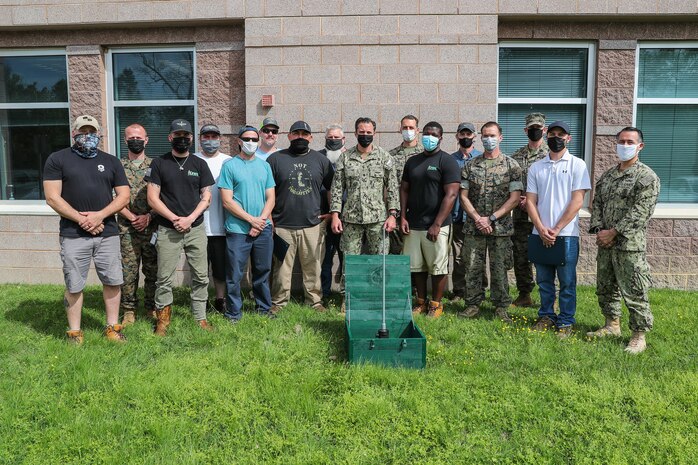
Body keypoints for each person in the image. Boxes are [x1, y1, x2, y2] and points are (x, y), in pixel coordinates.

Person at [43, 115, 130, 344]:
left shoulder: (111, 161)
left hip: (108, 231)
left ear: (99, 133)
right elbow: (52, 198)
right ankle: (74, 332)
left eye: (92, 131)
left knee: (112, 280)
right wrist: (82, 220)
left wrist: (100, 215)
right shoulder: (57, 159)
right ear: (74, 134)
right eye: (82, 131)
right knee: (74, 283)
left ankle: (112, 328)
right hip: (73, 234)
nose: (87, 136)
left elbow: (124, 195)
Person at [587, 127, 660, 354]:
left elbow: (641, 211)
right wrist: (600, 230)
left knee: (635, 290)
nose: (625, 145)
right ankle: (612, 325)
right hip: (606, 245)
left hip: (629, 246)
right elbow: (596, 203)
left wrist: (614, 232)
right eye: (621, 141)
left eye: (630, 142)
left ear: (640, 146)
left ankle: (639, 336)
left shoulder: (647, 177)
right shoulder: (608, 176)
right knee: (606, 287)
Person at [146, 119, 215, 336]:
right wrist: (175, 218)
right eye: (177, 135)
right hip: (168, 229)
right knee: (164, 277)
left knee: (201, 276)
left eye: (186, 135)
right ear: (170, 137)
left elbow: (207, 197)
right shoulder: (159, 164)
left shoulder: (199, 164)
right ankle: (163, 321)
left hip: (195, 228)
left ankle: (200, 318)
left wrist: (190, 218)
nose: (182, 139)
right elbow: (152, 198)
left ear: (192, 138)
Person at [527, 121, 591, 338]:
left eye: (561, 134)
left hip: (566, 236)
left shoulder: (577, 165)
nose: (556, 137)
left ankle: (565, 321)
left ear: (568, 138)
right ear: (546, 136)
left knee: (566, 282)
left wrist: (555, 228)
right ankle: (546, 315)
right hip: (540, 233)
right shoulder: (536, 167)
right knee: (544, 281)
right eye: (552, 134)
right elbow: (530, 201)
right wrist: (541, 228)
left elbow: (577, 201)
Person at [330, 117, 399, 305]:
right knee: (350, 262)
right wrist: (335, 215)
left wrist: (393, 215)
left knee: (380, 261)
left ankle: (379, 299)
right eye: (362, 132)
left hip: (378, 219)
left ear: (374, 134)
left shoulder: (385, 157)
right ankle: (349, 300)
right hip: (351, 219)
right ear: (355, 133)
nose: (365, 135)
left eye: (369, 132)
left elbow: (392, 187)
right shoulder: (345, 157)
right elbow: (337, 188)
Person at [267, 121, 334, 313]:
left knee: (313, 266)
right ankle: (279, 302)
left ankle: (314, 301)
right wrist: (270, 218)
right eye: (296, 133)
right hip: (282, 225)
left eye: (305, 134)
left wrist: (332, 213)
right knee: (281, 269)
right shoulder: (275, 160)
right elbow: (268, 191)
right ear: (289, 136)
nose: (300, 137)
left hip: (312, 225)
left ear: (311, 137)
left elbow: (332, 188)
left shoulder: (321, 161)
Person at [459, 121, 522, 323]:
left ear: (500, 137)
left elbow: (514, 198)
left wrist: (492, 218)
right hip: (474, 227)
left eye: (492, 135)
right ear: (480, 137)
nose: (489, 139)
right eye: (485, 135)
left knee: (499, 268)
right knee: (472, 267)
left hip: (500, 228)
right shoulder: (471, 165)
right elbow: (463, 196)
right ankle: (472, 304)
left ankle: (501, 307)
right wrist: (478, 219)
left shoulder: (512, 166)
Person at [400, 121, 460, 318]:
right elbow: (404, 189)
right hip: (414, 223)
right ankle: (420, 302)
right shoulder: (413, 161)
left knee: (438, 266)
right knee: (416, 266)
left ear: (440, 138)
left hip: (437, 225)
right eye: (426, 133)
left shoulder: (447, 161)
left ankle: (436, 304)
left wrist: (436, 223)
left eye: (433, 134)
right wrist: (402, 216)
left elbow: (451, 195)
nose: (429, 137)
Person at [218, 126, 276, 323]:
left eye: (254, 139)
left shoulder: (264, 166)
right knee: (234, 274)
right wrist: (251, 220)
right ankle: (234, 313)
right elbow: (226, 201)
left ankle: (264, 309)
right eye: (247, 139)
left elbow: (271, 198)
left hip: (263, 229)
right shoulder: (229, 166)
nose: (251, 142)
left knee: (262, 271)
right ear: (239, 141)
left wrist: (260, 221)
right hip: (238, 231)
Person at [117, 123, 157, 326]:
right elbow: (111, 197)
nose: (135, 141)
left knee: (152, 270)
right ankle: (129, 310)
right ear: (125, 140)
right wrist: (132, 217)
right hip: (127, 228)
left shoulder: (156, 166)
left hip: (151, 227)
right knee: (128, 272)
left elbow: (163, 197)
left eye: (139, 137)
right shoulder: (117, 166)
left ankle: (151, 307)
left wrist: (148, 216)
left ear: (146, 140)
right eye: (131, 138)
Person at [510, 112, 549, 308]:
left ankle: (548, 297)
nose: (535, 131)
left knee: (545, 258)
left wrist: (534, 202)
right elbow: (512, 184)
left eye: (538, 128)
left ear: (545, 130)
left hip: (544, 217)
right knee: (521, 257)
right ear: (526, 130)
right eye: (531, 128)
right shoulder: (517, 156)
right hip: (520, 217)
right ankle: (524, 294)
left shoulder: (552, 155)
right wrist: (519, 200)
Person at [194, 123, 232, 313]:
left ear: (220, 138)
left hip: (221, 226)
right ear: (200, 139)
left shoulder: (229, 161)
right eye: (206, 137)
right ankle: (201, 301)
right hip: (197, 226)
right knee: (199, 270)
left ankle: (220, 299)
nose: (210, 140)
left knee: (220, 268)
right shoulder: (192, 160)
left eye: (213, 137)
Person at [450, 122, 483, 301]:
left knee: (477, 256)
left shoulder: (481, 158)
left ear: (474, 136)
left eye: (468, 134)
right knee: (458, 257)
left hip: (477, 216)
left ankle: (480, 290)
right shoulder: (450, 159)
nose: (465, 138)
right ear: (457, 136)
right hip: (457, 216)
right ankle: (459, 291)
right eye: (462, 134)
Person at [319, 124, 347, 298]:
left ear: (344, 139)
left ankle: (347, 295)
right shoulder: (317, 158)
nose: (334, 140)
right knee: (324, 258)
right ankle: (325, 293)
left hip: (347, 219)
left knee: (347, 258)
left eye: (337, 138)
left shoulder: (351, 157)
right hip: (322, 217)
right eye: (330, 137)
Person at [389, 115, 424, 254]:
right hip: (396, 214)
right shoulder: (390, 155)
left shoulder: (425, 154)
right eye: (405, 127)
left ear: (417, 130)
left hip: (419, 213)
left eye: (411, 127)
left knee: (418, 256)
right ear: (400, 130)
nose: (408, 130)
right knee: (397, 254)